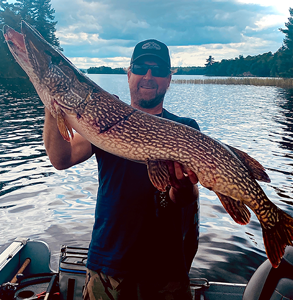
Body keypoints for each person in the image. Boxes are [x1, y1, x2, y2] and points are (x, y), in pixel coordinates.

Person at [43, 39, 200, 300]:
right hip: (108, 265)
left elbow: (183, 198)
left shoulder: (185, 128)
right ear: (129, 74)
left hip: (167, 270)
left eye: (159, 70)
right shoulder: (105, 119)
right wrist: (53, 103)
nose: (148, 76)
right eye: (140, 68)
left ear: (169, 79)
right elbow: (62, 158)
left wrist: (181, 187)